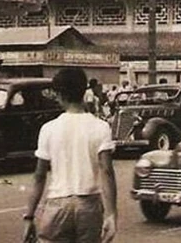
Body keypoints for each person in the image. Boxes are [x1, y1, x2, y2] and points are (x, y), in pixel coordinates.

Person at [23, 67, 117, 243]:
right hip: (89, 205)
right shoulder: (101, 127)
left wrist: (29, 217)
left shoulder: (48, 129)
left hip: (57, 204)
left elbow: (39, 176)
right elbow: (107, 172)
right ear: (83, 91)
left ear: (60, 94)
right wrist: (111, 215)